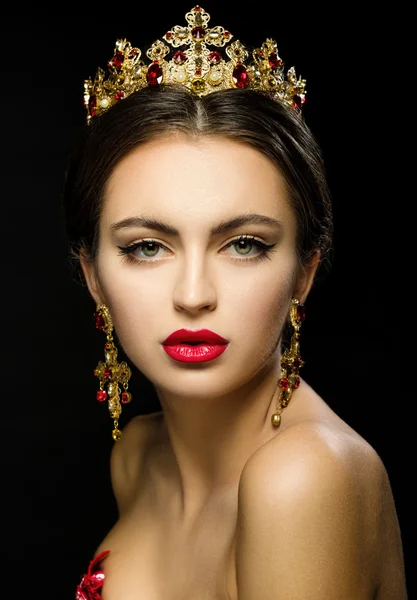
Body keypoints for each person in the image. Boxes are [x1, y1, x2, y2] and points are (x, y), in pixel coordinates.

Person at [63, 5, 407, 599]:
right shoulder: (138, 458)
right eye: (147, 247)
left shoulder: (304, 478)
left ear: (304, 271)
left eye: (243, 245)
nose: (194, 295)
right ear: (93, 276)